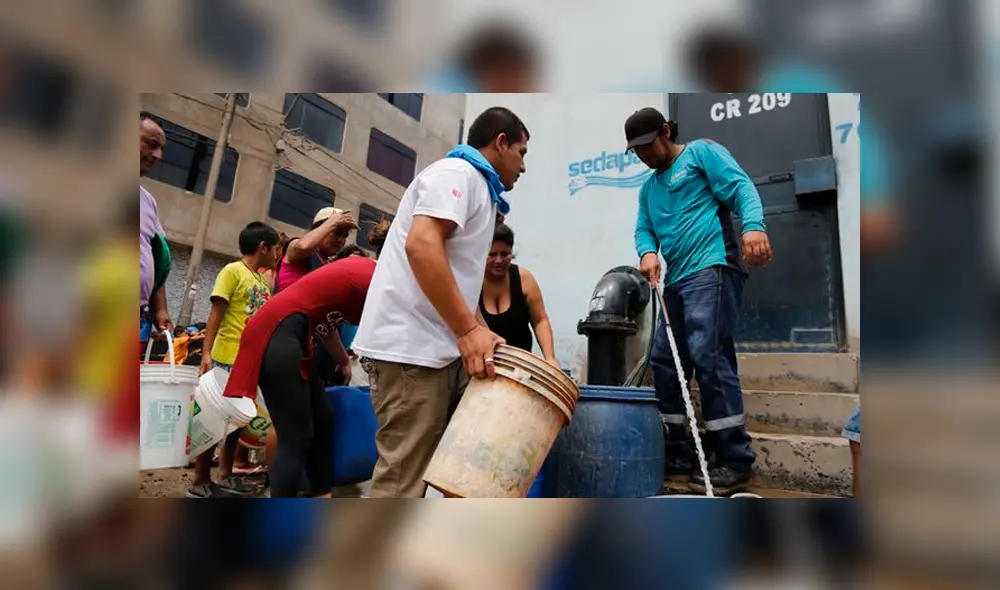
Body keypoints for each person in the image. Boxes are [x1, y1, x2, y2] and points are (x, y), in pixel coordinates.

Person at [352, 106, 529, 498]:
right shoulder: (457, 175)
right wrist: (467, 330)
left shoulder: (480, 189)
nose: (523, 166)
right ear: (500, 143)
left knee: (463, 468)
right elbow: (422, 245)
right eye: (522, 153)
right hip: (412, 352)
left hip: (440, 352)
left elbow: (459, 278)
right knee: (403, 481)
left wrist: (480, 329)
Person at [627, 107, 773, 494]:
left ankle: (733, 458)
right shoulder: (649, 188)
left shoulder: (702, 154)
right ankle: (681, 451)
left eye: (646, 145)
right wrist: (647, 253)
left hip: (713, 267)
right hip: (676, 280)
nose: (642, 154)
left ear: (666, 131)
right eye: (635, 150)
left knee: (707, 352)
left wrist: (754, 226)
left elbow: (741, 186)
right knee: (663, 360)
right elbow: (644, 228)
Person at [222, 255, 377, 498]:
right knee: (295, 436)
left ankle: (321, 496)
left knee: (323, 420)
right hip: (278, 333)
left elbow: (328, 329)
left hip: (294, 339)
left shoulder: (365, 277)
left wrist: (344, 362)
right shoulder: (371, 276)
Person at [187, 221, 281, 499]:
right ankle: (200, 480)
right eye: (275, 249)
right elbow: (216, 312)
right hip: (226, 359)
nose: (277, 254)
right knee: (213, 421)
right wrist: (206, 353)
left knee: (235, 423)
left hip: (249, 363)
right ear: (262, 248)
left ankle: (226, 475)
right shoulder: (232, 271)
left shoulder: (262, 280)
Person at [479, 223, 557, 364]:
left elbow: (540, 320)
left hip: (520, 367)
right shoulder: (472, 283)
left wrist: (550, 357)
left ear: (512, 253)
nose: (499, 260)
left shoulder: (524, 279)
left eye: (504, 254)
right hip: (482, 366)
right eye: (492, 255)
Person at [139, 112, 173, 350]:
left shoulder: (147, 201)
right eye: (151, 145)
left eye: (161, 148)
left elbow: (155, 257)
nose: (158, 156)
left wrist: (160, 308)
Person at [275, 207, 357, 293]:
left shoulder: (328, 264)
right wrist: (332, 223)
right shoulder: (298, 249)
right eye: (336, 232)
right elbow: (303, 246)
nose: (341, 240)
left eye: (345, 236)